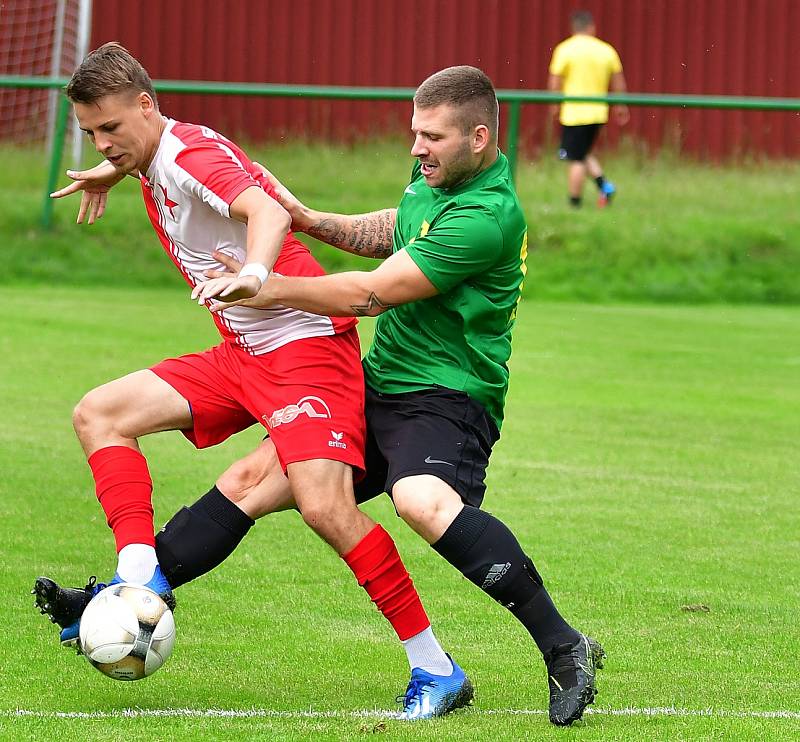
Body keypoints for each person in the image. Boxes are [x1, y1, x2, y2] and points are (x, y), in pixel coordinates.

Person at [40, 63, 604, 727]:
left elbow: (370, 293)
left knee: (418, 501)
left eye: (433, 137)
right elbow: (390, 227)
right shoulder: (439, 187)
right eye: (414, 133)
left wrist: (268, 284)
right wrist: (308, 218)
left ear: (479, 139)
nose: (416, 148)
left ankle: (563, 645)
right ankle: (130, 593)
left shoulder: (486, 218)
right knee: (251, 482)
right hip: (381, 386)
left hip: (445, 398)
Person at [548, 9, 629, 208]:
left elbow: (555, 80)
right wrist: (620, 104)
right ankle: (605, 185)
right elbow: (618, 80)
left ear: (573, 28)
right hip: (598, 112)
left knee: (574, 158)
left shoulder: (565, 49)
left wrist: (554, 104)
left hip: (574, 113)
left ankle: (574, 204)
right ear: (591, 27)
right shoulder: (606, 50)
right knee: (581, 152)